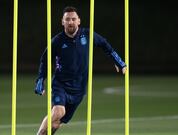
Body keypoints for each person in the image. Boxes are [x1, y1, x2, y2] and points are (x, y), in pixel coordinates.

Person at [34, 6, 127, 135]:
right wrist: (40, 80)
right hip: (60, 85)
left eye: (73, 19)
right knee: (59, 112)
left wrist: (119, 62)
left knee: (56, 123)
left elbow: (105, 45)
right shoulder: (57, 41)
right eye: (67, 19)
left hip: (79, 88)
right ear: (62, 21)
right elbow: (45, 61)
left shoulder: (88, 35)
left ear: (79, 21)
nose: (70, 22)